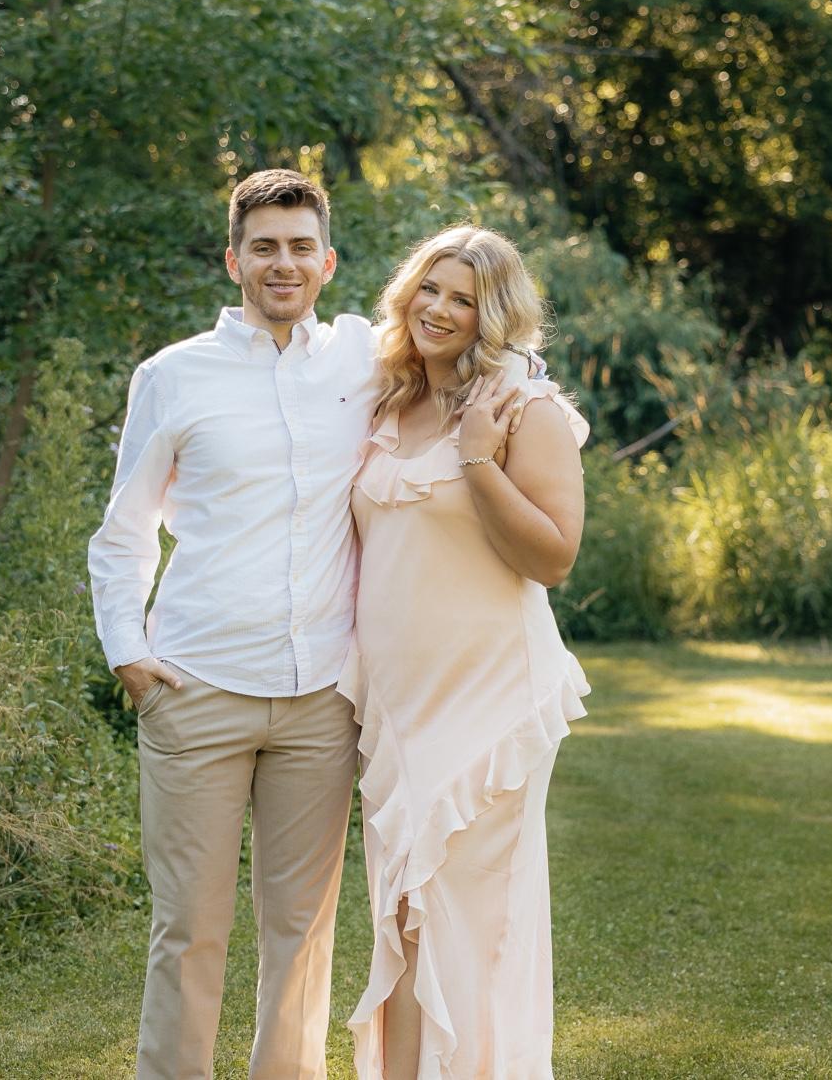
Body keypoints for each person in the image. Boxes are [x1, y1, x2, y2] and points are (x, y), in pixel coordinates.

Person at [88, 171, 536, 1079]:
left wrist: (518, 381)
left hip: (323, 699)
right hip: (198, 687)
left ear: (328, 263)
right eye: (264, 247)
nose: (282, 263)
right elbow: (123, 530)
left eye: (301, 247)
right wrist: (129, 655)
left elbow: (486, 355)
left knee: (303, 931)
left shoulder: (364, 362)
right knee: (189, 928)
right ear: (234, 261)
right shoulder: (173, 376)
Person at [337, 225, 590, 1079]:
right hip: (398, 708)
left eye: (464, 299)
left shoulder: (525, 409)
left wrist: (478, 460)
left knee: (469, 923)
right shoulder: (386, 400)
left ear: (496, 316)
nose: (440, 309)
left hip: (489, 699)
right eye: (430, 288)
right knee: (404, 918)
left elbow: (553, 557)